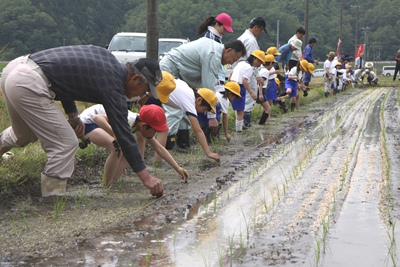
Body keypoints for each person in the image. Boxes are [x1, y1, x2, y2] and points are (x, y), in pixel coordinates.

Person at [0, 45, 164, 198]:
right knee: (65, 143)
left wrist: (72, 115)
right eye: (145, 90)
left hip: (17, 70)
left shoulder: (107, 59)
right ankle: (51, 200)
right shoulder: (113, 86)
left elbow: (68, 78)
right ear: (135, 79)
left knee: (23, 134)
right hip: (29, 82)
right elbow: (124, 134)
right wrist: (146, 178)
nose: (142, 95)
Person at [159, 38, 246, 150]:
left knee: (186, 107)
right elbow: (208, 88)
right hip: (170, 69)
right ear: (228, 51)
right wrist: (212, 116)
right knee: (175, 110)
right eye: (233, 59)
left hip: (180, 73)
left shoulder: (215, 50)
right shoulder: (213, 55)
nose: (231, 63)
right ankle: (167, 146)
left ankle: (183, 144)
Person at [80, 104, 189, 186]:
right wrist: (115, 134)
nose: (154, 135)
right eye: (154, 131)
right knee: (116, 147)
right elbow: (97, 118)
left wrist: (178, 168)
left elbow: (159, 148)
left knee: (128, 148)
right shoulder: (127, 120)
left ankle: (115, 180)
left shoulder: (140, 126)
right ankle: (107, 186)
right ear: (144, 126)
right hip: (87, 123)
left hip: (97, 123)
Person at [148, 71, 220, 164]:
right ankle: (156, 162)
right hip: (152, 90)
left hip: (154, 87)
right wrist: (208, 153)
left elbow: (173, 77)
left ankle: (156, 161)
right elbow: (198, 130)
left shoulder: (187, 88)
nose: (202, 112)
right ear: (199, 100)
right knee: (161, 129)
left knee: (162, 129)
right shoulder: (190, 101)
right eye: (204, 108)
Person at [198, 12, 234, 139]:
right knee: (208, 105)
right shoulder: (211, 38)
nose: (225, 32)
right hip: (213, 78)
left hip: (217, 76)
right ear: (217, 24)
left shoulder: (217, 37)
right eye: (224, 28)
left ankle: (210, 135)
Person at [236, 17, 268, 128]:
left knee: (243, 99)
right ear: (255, 27)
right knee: (248, 100)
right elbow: (253, 62)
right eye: (260, 30)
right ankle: (246, 125)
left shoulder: (243, 37)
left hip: (239, 72)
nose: (260, 33)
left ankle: (242, 125)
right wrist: (258, 76)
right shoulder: (251, 41)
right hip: (247, 73)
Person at [229, 50, 265, 132]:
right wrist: (252, 93)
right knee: (241, 111)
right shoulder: (249, 68)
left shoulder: (241, 63)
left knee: (238, 109)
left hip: (232, 84)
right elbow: (244, 80)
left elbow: (231, 73)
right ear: (256, 59)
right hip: (239, 86)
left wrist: (229, 83)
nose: (259, 65)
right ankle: (238, 131)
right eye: (260, 62)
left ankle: (241, 127)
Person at [258, 54, 277, 124]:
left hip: (261, 90)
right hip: (261, 90)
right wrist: (260, 94)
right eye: (273, 64)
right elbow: (260, 82)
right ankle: (262, 123)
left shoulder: (262, 69)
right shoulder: (265, 71)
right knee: (268, 108)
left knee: (267, 108)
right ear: (271, 63)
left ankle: (264, 122)